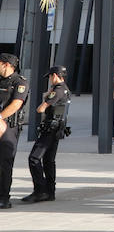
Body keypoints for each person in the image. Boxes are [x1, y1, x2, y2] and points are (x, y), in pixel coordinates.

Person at [23, 66, 70, 203]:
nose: (49, 79)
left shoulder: (57, 90)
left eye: (50, 76)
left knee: (34, 158)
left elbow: (40, 109)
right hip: (58, 128)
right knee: (49, 160)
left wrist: (47, 96)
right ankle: (50, 191)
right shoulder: (65, 89)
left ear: (55, 75)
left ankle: (40, 191)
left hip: (50, 128)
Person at [0, 53, 28, 209]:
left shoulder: (20, 82)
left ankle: (3, 197)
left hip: (9, 127)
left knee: (5, 162)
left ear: (6, 64)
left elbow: (16, 104)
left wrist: (0, 118)